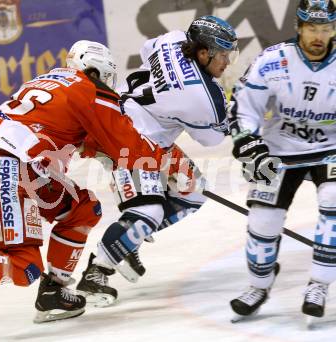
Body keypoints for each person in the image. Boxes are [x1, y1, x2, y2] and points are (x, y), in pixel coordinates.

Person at [0, 40, 194, 325]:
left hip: (24, 165)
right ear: (93, 71)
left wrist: (110, 153)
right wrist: (166, 161)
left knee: (83, 209)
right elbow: (127, 145)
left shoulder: (52, 80)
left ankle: (54, 291)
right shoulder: (87, 89)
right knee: (23, 265)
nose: (107, 84)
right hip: (9, 166)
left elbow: (79, 135)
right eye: (105, 77)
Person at [75, 15, 239, 306]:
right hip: (127, 138)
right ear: (203, 53)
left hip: (131, 121)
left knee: (193, 190)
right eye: (223, 55)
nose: (227, 63)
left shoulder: (173, 40)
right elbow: (211, 140)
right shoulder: (203, 98)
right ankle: (97, 271)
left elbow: (146, 51)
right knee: (148, 210)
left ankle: (127, 240)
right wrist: (228, 113)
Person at [228, 0, 336, 321]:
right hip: (280, 149)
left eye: (326, 29)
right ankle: (258, 286)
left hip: (331, 147)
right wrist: (248, 142)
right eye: (312, 29)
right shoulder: (272, 60)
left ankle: (319, 284)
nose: (319, 36)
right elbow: (244, 106)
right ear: (299, 27)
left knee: (334, 200)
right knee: (263, 220)